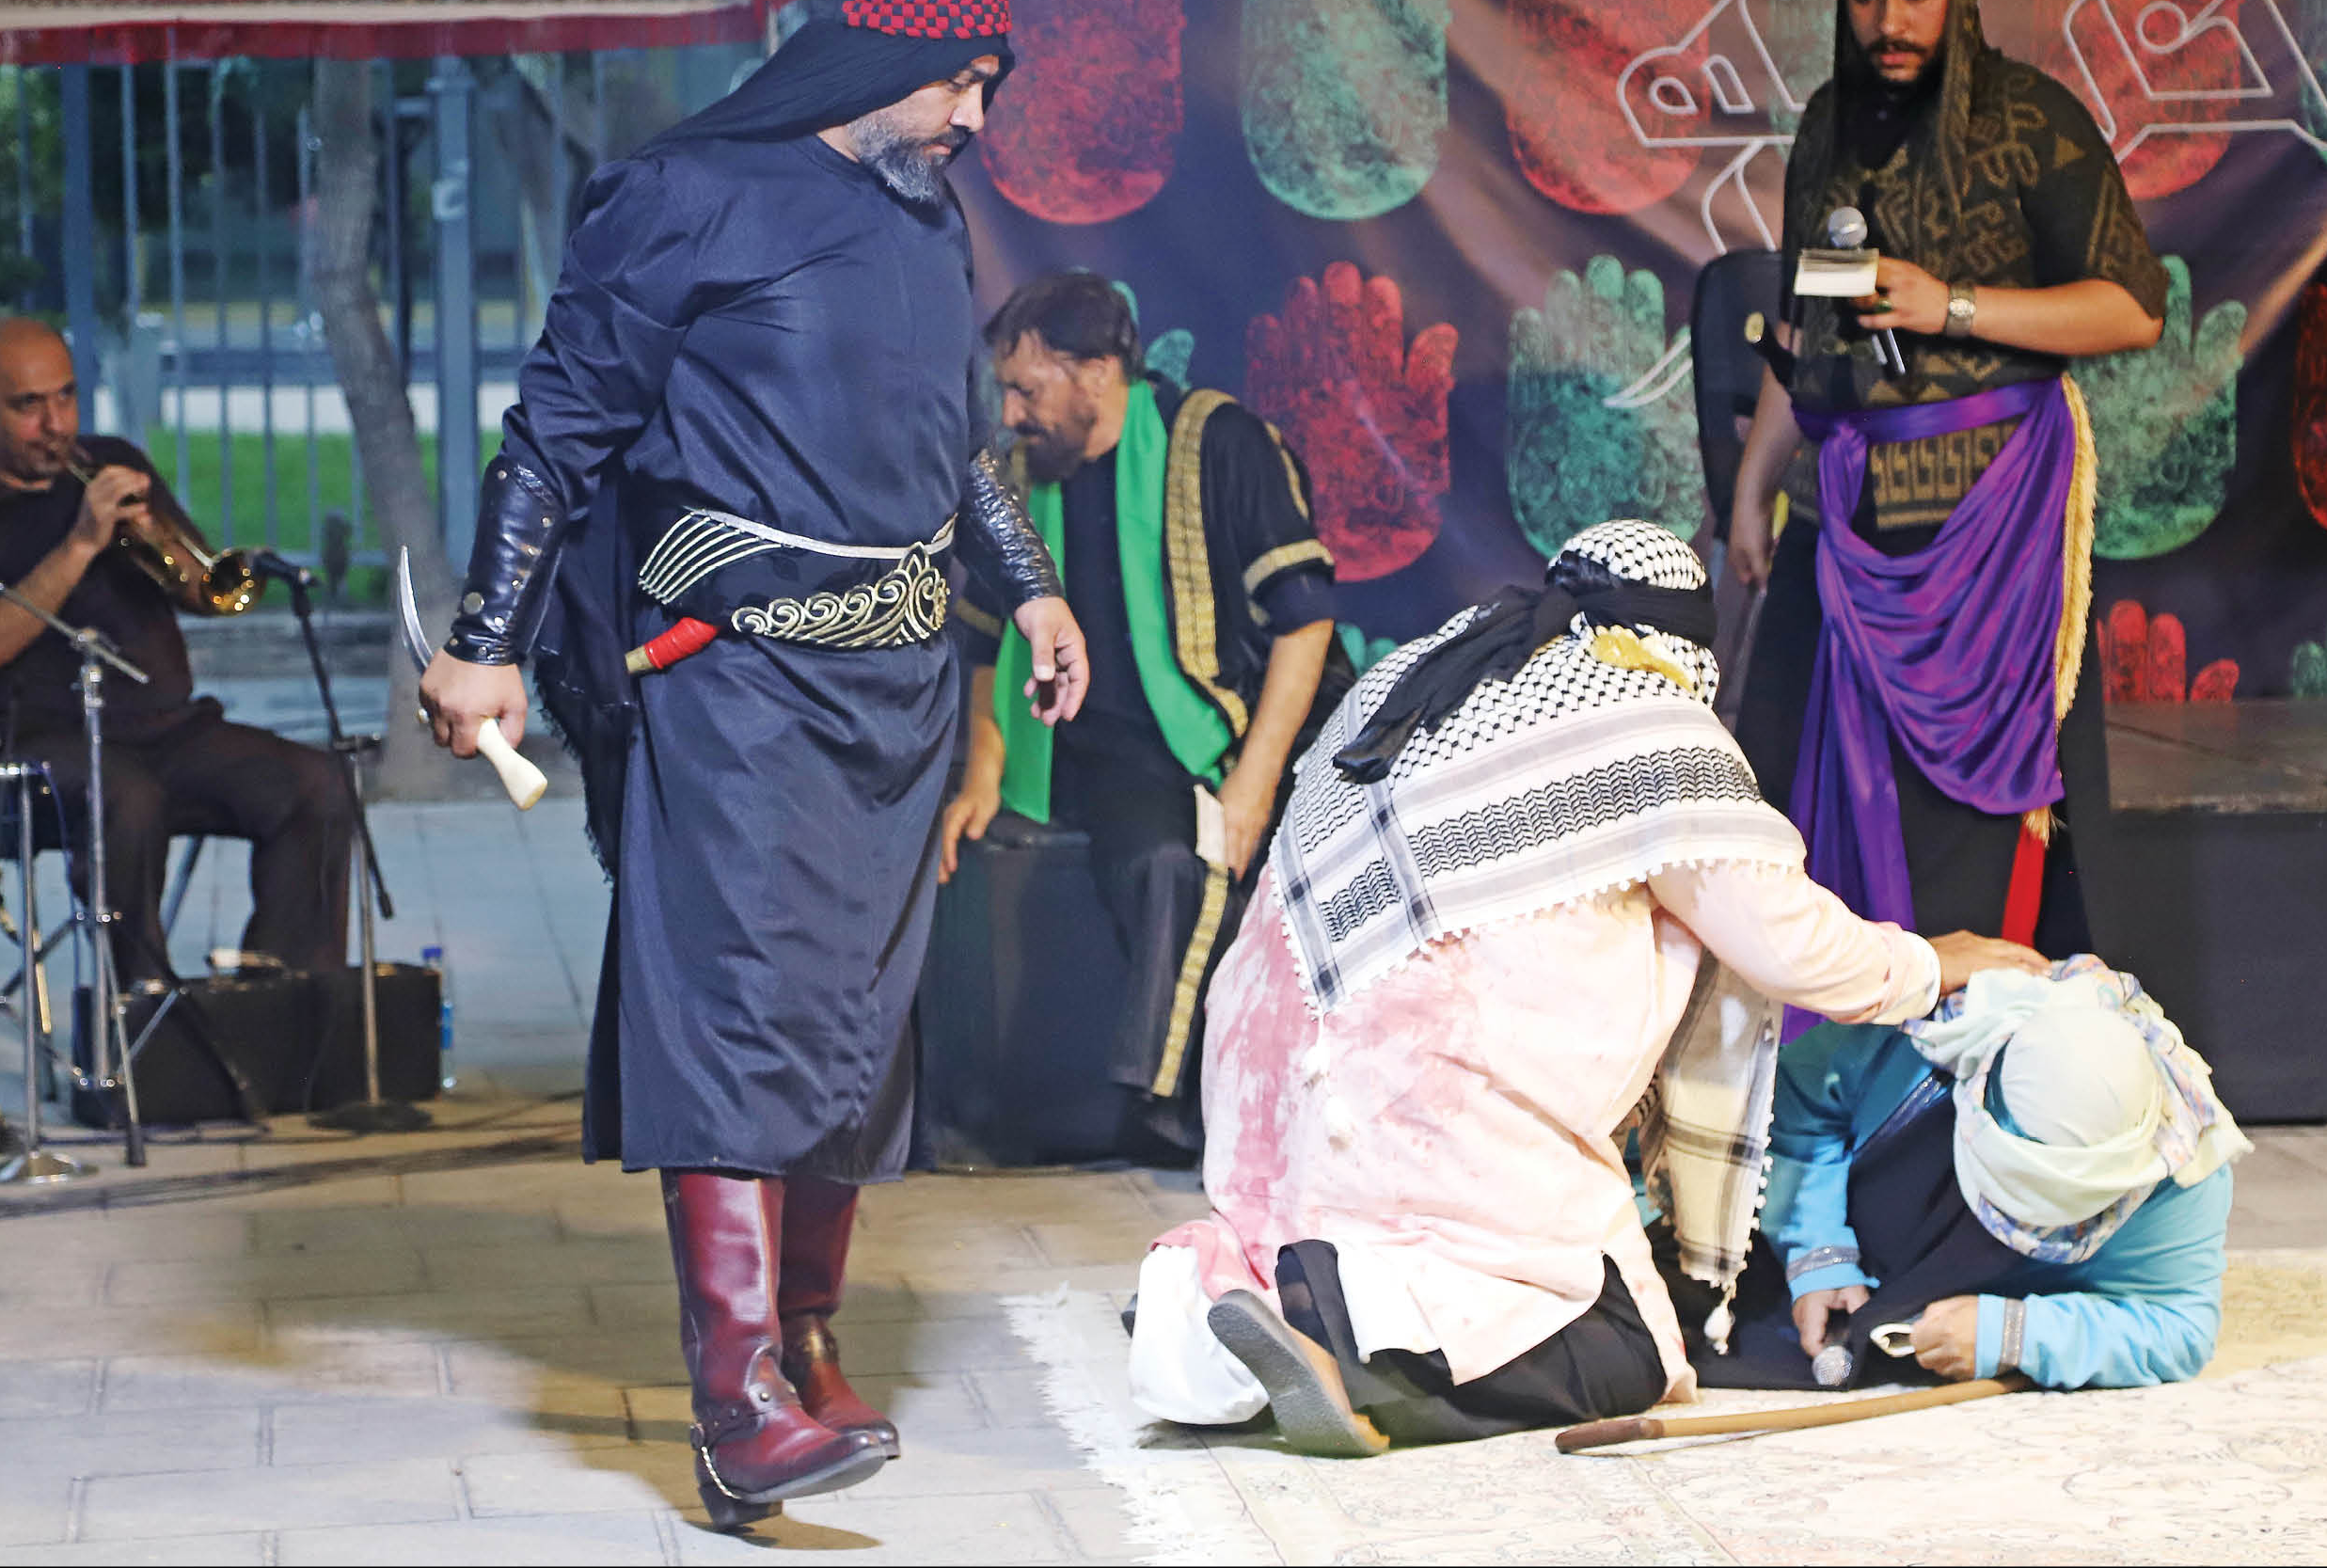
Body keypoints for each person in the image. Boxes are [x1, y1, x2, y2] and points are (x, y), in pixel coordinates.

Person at [413, 0, 1090, 1527]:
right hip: (734, 678)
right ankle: (735, 1402)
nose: (975, 117)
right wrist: (485, 641)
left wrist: (1034, 592)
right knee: (737, 1009)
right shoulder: (685, 195)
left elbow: (959, 452)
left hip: (896, 691)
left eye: (987, 86)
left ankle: (806, 1342)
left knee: (857, 1018)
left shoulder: (925, 217)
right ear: (875, 57)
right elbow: (556, 431)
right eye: (958, 82)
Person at [1124, 520, 2044, 1455]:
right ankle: (1342, 1345)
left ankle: (1217, 1309)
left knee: (1478, 1244)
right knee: (1626, 1349)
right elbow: (1791, 945)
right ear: (1686, 642)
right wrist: (1930, 962)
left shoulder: (1431, 671)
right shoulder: (1648, 722)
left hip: (1262, 1095)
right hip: (1407, 1108)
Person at [1723, 0, 2166, 962]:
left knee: (1968, 831)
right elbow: (1807, 328)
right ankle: (1834, 1041)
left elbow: (2130, 308)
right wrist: (1749, 489)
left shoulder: (2029, 120)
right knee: (1785, 793)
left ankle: (1979, 1036)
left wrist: (1950, 303)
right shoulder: (1826, 128)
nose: (1888, 21)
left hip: (1992, 527)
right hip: (1842, 514)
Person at [941, 271, 1348, 1157]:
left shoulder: (1222, 443)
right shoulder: (1019, 479)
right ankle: (1126, 1116)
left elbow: (1305, 622)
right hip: (1098, 753)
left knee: (1193, 864)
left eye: (1026, 390)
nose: (1008, 415)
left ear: (1096, 373)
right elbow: (982, 640)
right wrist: (982, 773)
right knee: (1149, 858)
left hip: (1227, 738)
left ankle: (1175, 1113)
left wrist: (1253, 784)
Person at [0, 317, 352, 982]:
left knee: (318, 784)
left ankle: (283, 1004)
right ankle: (141, 1010)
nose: (56, 424)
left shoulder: (111, 462)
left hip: (165, 729)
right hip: (29, 744)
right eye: (28, 405)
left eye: (66, 396)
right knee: (127, 800)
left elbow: (202, 591)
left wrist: (159, 542)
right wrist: (81, 544)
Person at [1687, 954, 2244, 1391]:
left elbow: (2181, 1326)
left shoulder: (2183, 1166)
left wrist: (2019, 1335)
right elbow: (1793, 1104)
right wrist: (1817, 1253)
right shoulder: (1921, 1036)